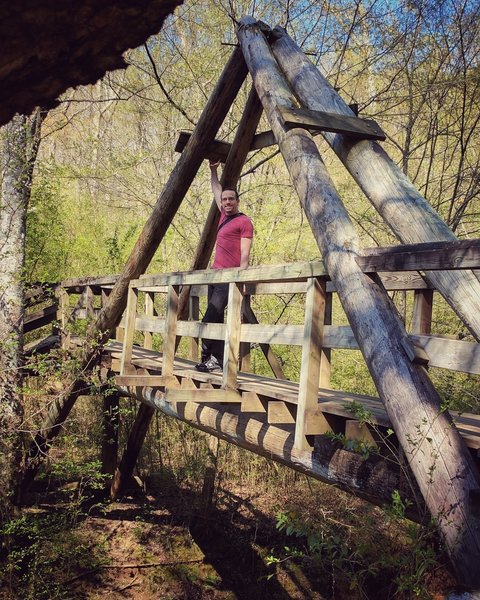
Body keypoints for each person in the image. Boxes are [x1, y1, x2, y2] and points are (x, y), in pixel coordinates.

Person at [195, 161, 253, 373]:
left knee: (210, 316)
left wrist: (242, 279)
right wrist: (212, 170)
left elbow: (245, 252)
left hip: (229, 277)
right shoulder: (223, 216)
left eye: (231, 199)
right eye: (225, 200)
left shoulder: (243, 221)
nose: (227, 202)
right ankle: (211, 360)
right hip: (214, 276)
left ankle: (215, 359)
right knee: (215, 318)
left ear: (237, 201)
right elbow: (216, 189)